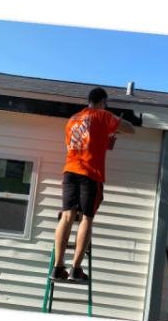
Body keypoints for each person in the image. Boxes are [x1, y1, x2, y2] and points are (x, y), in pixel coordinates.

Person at [51, 87, 137, 283]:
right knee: (86, 219)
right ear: (102, 101)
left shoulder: (72, 120)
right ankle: (75, 270)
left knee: (67, 216)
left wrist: (102, 139)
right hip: (90, 174)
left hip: (70, 171)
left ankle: (57, 269)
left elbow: (74, 145)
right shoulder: (103, 115)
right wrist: (114, 119)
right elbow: (131, 129)